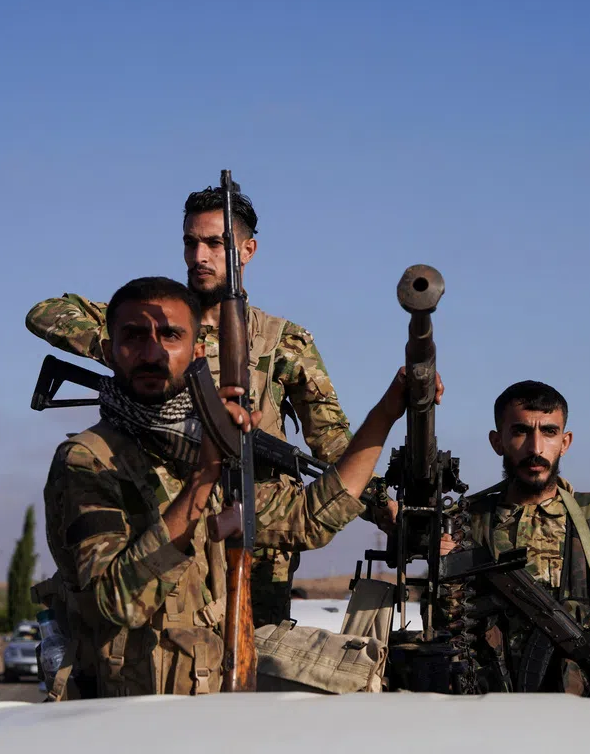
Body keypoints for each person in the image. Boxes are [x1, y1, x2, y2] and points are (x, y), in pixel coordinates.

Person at [39, 276, 429, 698]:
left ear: (197, 352)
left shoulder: (206, 453)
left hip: (209, 703)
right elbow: (116, 602)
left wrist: (388, 411)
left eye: (170, 335)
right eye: (133, 337)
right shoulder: (89, 460)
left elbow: (309, 518)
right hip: (125, 708)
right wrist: (205, 476)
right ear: (109, 349)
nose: (152, 352)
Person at [26, 187, 360, 625]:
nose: (199, 256)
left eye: (214, 244)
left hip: (256, 536)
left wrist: (379, 505)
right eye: (190, 242)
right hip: (160, 516)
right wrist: (126, 347)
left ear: (247, 250)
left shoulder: (284, 341)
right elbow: (46, 311)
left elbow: (332, 441)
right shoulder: (155, 321)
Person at [447, 381, 590, 697]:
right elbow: (449, 623)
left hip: (586, 707)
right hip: (492, 705)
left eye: (549, 432)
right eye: (521, 432)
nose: (536, 448)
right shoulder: (466, 520)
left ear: (565, 441)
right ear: (497, 441)